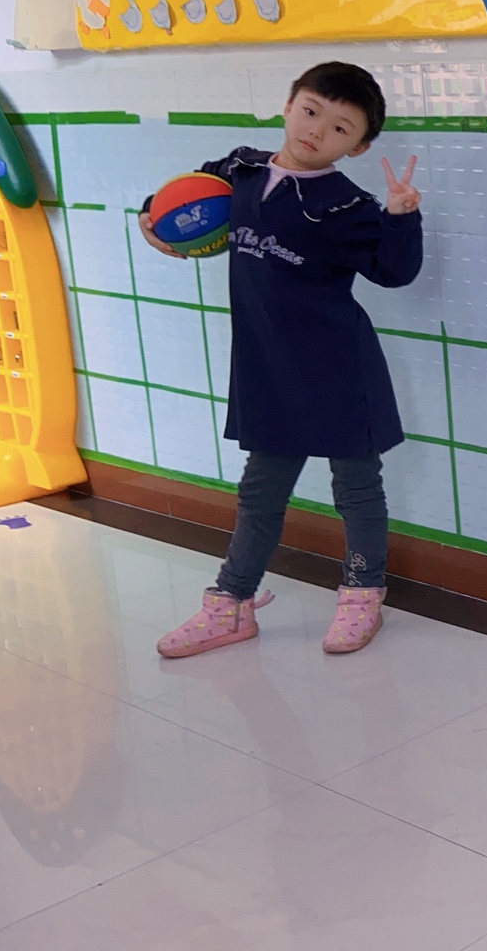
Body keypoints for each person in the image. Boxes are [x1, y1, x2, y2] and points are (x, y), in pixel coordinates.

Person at [142, 62, 423, 659]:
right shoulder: (237, 171)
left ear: (358, 147)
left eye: (340, 128)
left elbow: (393, 271)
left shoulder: (347, 205)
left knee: (357, 489)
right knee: (260, 492)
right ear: (290, 104)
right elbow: (180, 203)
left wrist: (401, 217)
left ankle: (362, 594)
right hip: (268, 368)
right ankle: (231, 603)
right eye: (311, 111)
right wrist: (154, 222)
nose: (317, 130)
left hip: (339, 368)